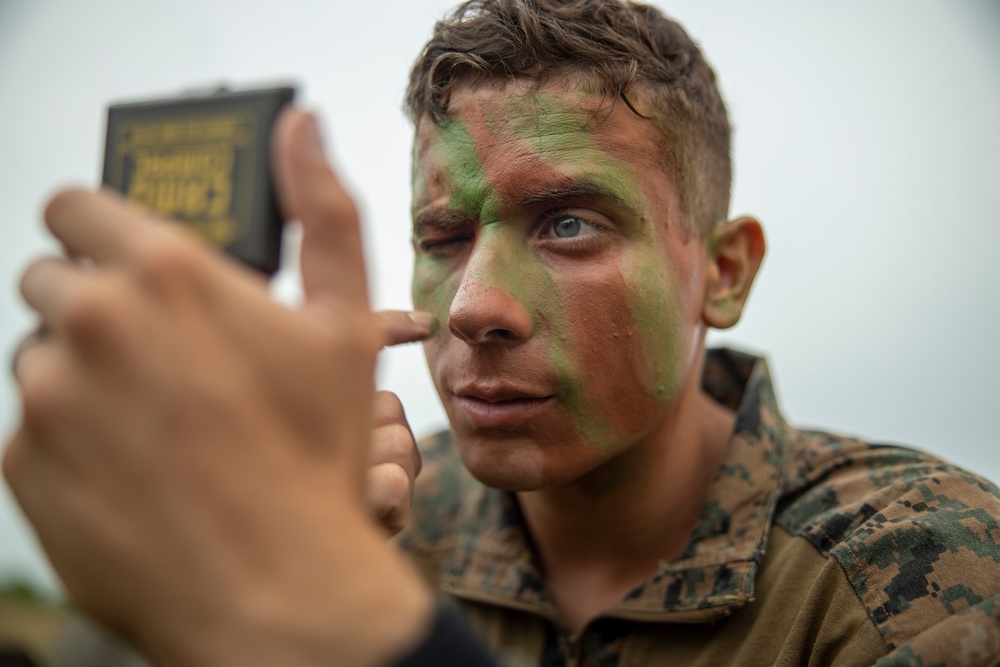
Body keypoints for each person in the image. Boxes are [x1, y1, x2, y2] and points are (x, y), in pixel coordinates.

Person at [3, 2, 999, 667]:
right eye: (442, 233)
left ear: (723, 271)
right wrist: (216, 574)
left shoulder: (910, 567)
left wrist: (341, 617)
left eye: (569, 223)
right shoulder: (378, 521)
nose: (477, 306)